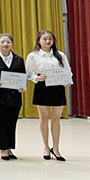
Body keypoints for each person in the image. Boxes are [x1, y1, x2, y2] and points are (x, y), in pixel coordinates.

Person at [26, 30, 72, 161]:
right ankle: (46, 147)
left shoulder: (60, 55)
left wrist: (68, 80)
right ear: (38, 41)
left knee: (56, 119)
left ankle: (56, 148)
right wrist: (36, 78)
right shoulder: (33, 56)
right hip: (42, 87)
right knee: (44, 118)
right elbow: (28, 73)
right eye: (44, 39)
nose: (47, 41)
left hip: (58, 87)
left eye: (50, 39)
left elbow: (67, 71)